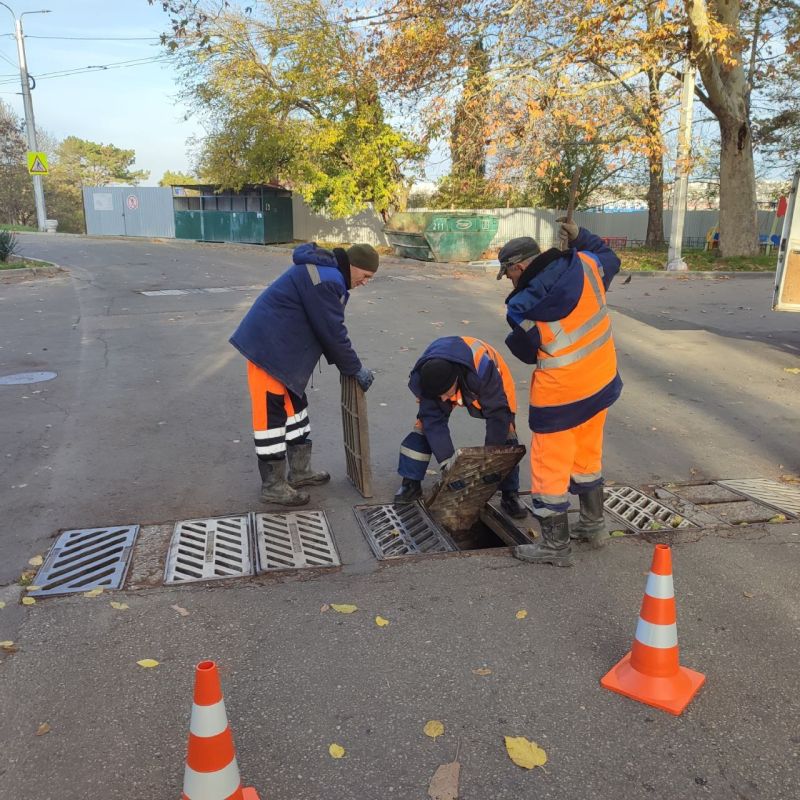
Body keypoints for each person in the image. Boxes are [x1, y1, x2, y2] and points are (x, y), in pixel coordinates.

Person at [498, 221, 622, 565]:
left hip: (561, 397)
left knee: (548, 468)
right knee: (587, 457)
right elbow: (609, 255)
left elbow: (527, 352)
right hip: (600, 381)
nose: (510, 281)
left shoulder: (520, 306)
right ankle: (593, 526)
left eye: (508, 274)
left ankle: (555, 546)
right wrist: (581, 233)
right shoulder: (586, 263)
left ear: (518, 266)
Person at [230, 242, 379, 506]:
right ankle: (273, 485)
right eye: (365, 276)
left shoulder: (328, 273)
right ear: (353, 266)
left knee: (295, 411)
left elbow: (326, 330)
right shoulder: (327, 279)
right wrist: (354, 367)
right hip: (269, 351)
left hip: (282, 351)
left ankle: (299, 472)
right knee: (271, 418)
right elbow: (332, 332)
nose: (366, 282)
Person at [394, 335, 528, 519]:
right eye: (438, 395)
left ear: (456, 381)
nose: (442, 399)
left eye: (445, 393)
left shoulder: (483, 370)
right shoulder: (427, 376)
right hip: (454, 373)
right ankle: (410, 483)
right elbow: (434, 422)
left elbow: (497, 416)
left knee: (506, 430)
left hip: (494, 380)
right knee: (424, 425)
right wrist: (449, 466)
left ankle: (510, 494)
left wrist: (490, 463)